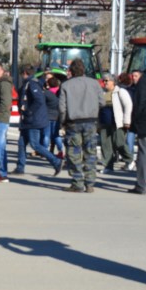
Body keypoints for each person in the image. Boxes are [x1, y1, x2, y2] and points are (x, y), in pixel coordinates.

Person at [58, 59, 104, 193]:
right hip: (91, 121)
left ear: (71, 71)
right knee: (90, 152)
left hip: (73, 122)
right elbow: (102, 102)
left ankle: (77, 182)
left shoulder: (66, 85)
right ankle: (90, 183)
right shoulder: (94, 83)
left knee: (74, 153)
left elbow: (62, 108)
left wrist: (63, 122)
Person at [13, 64, 63, 177]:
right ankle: (20, 167)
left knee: (35, 144)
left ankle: (56, 161)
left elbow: (39, 100)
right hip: (27, 120)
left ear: (25, 73)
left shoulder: (32, 84)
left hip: (33, 120)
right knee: (21, 143)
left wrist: (29, 112)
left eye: (22, 74)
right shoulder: (29, 83)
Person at [99, 73, 134, 173]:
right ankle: (108, 166)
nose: (104, 82)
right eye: (104, 80)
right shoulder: (102, 93)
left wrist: (127, 121)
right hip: (104, 123)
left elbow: (128, 105)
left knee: (119, 143)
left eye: (107, 80)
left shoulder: (120, 91)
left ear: (113, 82)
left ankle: (130, 160)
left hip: (117, 122)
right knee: (105, 145)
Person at [130, 55, 146, 194]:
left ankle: (141, 185)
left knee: (144, 153)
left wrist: (136, 121)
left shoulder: (145, 78)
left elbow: (140, 102)